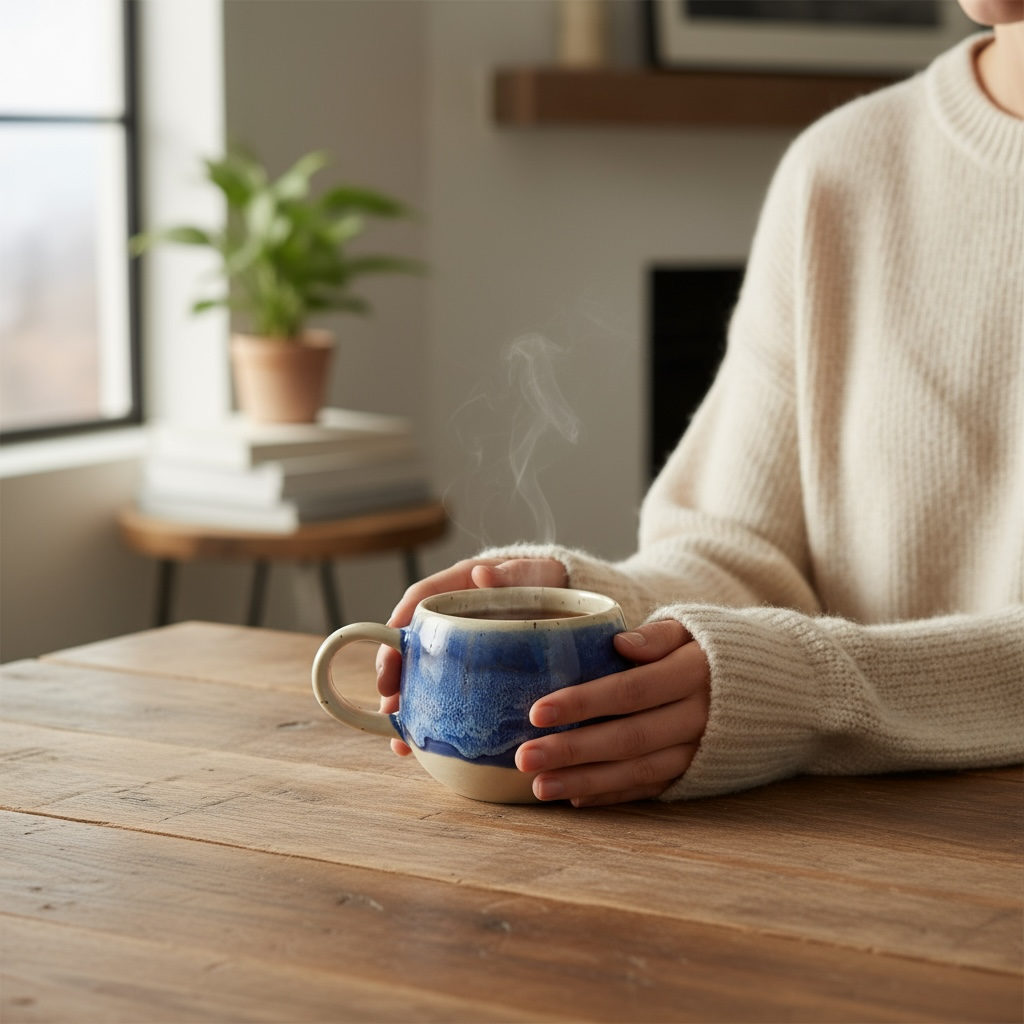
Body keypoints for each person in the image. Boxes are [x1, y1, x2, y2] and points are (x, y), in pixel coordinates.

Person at [378, 1, 1024, 807]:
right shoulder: (845, 167)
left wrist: (809, 692)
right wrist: (612, 618)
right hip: (843, 861)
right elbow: (744, 555)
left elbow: (793, 678)